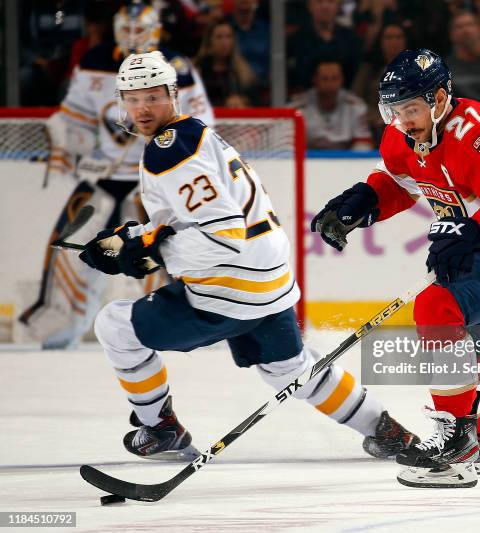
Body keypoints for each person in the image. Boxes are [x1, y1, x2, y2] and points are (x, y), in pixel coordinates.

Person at [77, 50, 420, 462]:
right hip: (271, 279)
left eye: (151, 96)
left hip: (230, 286)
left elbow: (222, 234)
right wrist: (134, 240)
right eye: (132, 98)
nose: (142, 108)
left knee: (114, 326)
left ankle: (161, 428)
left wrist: (148, 249)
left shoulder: (168, 150)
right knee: (289, 370)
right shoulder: (197, 136)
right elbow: (187, 221)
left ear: (172, 95)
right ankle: (385, 429)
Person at [311, 48, 480, 488]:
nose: (402, 120)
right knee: (463, 342)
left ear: (439, 98)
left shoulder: (476, 131)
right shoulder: (403, 134)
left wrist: (471, 234)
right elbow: (397, 179)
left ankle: (456, 446)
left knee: (435, 310)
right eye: (393, 110)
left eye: (410, 108)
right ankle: (479, 431)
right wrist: (364, 202)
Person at [18, 0, 214, 349]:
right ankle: (59, 328)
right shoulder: (94, 61)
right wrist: (66, 144)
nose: (133, 37)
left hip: (155, 185)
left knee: (166, 257)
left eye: (140, 30)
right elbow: (74, 117)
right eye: (126, 29)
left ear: (156, 30)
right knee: (71, 250)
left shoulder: (177, 68)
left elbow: (200, 126)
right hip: (102, 180)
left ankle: (196, 327)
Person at [290, 57, 374, 150]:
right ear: (315, 79)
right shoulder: (297, 108)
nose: (330, 84)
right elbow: (288, 145)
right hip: (309, 160)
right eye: (325, 79)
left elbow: (363, 144)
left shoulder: (356, 106)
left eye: (335, 78)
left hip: (346, 160)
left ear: (342, 79)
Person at [287, 0, 363, 94]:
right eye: (319, 1)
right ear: (309, 6)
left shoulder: (351, 39)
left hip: (344, 99)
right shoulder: (295, 40)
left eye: (330, 2)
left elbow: (356, 74)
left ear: (338, 6)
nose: (325, 6)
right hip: (304, 99)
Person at [193, 20, 258, 106]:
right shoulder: (197, 71)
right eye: (219, 37)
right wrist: (224, 103)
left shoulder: (244, 73)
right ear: (209, 41)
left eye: (229, 36)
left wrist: (244, 101)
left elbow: (256, 102)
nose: (224, 42)